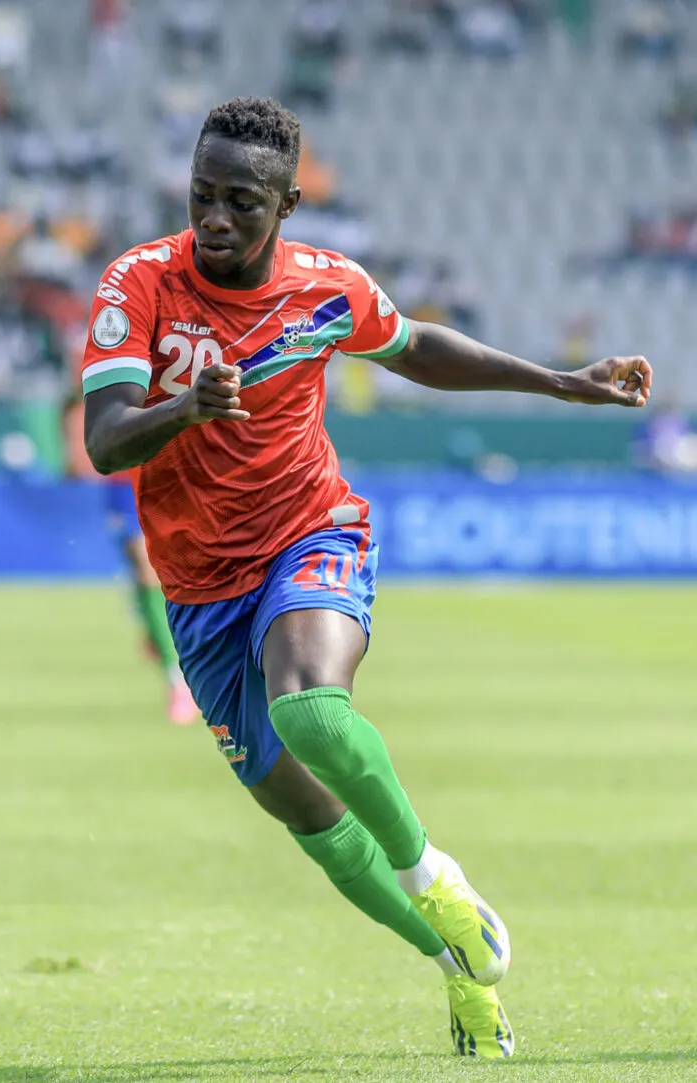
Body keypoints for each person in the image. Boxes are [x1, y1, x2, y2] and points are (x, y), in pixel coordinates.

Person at [79, 97, 652, 1059]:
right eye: (202, 195)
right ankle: (456, 964)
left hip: (311, 530)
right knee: (308, 817)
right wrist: (184, 407)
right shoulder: (139, 284)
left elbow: (413, 344)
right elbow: (104, 440)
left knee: (309, 704)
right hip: (200, 588)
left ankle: (435, 873)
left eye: (242, 202)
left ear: (289, 204)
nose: (216, 218)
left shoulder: (325, 288)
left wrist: (560, 381)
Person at [64, 394, 198, 726]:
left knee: (152, 567)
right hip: (124, 479)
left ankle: (177, 674)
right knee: (142, 569)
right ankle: (168, 659)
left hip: (165, 468)